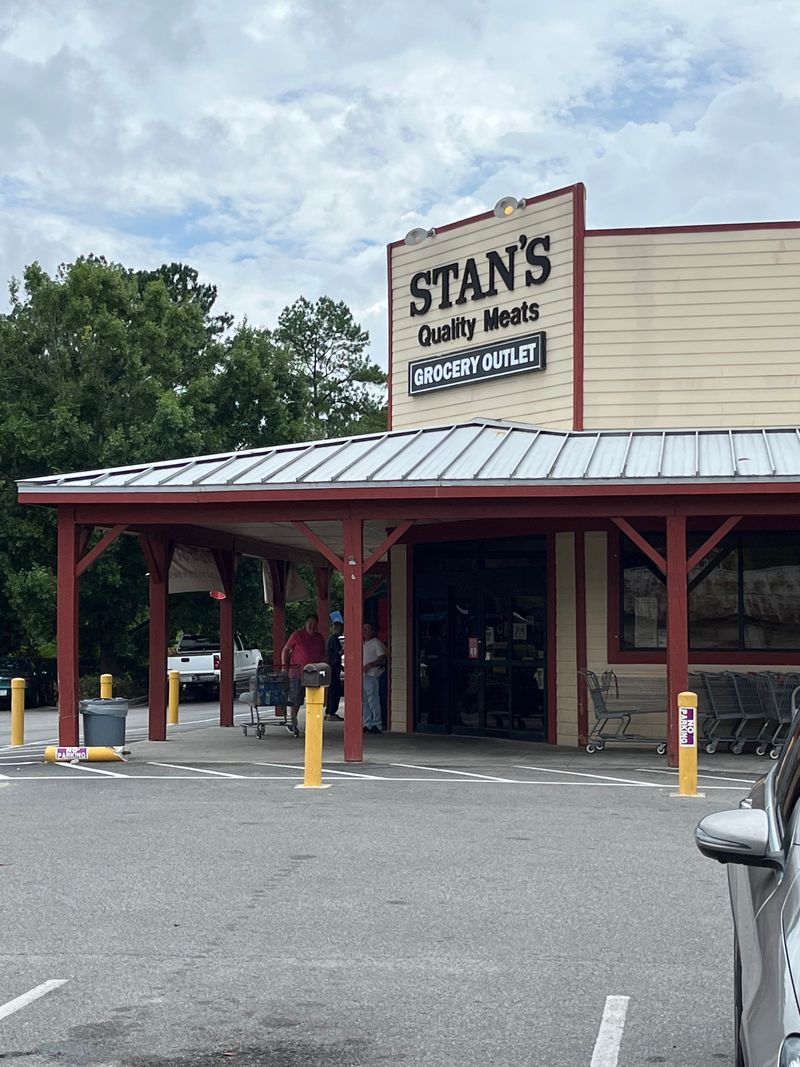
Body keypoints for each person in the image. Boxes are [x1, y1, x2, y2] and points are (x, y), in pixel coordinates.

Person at [280, 613, 326, 735]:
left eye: (314, 623)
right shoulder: (297, 635)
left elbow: (323, 655)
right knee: (296, 698)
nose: (312, 625)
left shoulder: (319, 638)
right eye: (309, 622)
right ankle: (293, 720)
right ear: (305, 623)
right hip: (297, 672)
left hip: (314, 673)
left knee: (314, 699)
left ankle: (313, 724)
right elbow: (285, 650)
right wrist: (285, 666)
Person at [362, 622, 387, 734]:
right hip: (362, 675)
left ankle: (377, 723)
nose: (364, 631)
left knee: (373, 700)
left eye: (367, 629)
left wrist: (370, 665)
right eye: (363, 629)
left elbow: (382, 659)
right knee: (365, 701)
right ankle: (368, 723)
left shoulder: (376, 643)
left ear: (372, 630)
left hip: (372, 675)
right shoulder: (362, 643)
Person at [325, 620, 344, 721]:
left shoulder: (331, 639)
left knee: (332, 690)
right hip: (334, 669)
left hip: (333, 668)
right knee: (334, 691)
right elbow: (338, 654)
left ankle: (329, 711)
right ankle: (331, 712)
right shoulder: (334, 639)